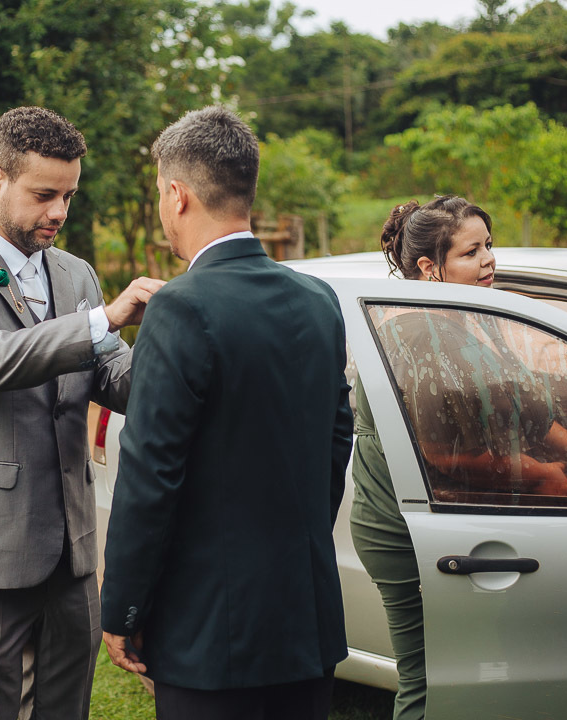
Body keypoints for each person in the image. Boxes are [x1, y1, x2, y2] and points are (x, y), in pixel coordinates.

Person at [0, 106, 163, 720]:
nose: (59, 213)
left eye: (68, 195)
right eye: (44, 195)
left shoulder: (76, 274)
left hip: (71, 544)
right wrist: (105, 319)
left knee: (66, 709)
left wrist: (175, 339)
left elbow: (114, 379)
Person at [98, 106, 354, 720]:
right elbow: (337, 437)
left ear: (178, 195)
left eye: (160, 192)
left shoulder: (180, 308)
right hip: (306, 615)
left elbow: (150, 474)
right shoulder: (319, 299)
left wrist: (124, 609)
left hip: (211, 630)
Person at [350, 196, 567, 720]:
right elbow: (431, 450)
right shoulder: (416, 331)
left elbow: (522, 405)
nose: (489, 260)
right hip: (406, 529)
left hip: (458, 516)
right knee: (429, 681)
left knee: (483, 671)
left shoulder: (470, 315)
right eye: (472, 252)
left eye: (489, 245)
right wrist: (537, 472)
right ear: (430, 267)